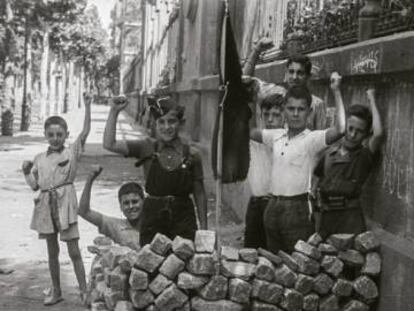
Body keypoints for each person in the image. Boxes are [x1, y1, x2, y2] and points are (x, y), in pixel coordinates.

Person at [250, 72, 346, 253]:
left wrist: (336, 91)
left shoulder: (312, 139)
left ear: (309, 112)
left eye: (300, 109)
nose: (295, 114)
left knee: (298, 264)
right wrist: (244, 97)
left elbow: (341, 129)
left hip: (298, 210)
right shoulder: (276, 136)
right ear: (284, 109)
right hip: (272, 208)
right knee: (274, 264)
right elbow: (249, 131)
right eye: (291, 108)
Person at [103, 96, 208, 246]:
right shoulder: (146, 147)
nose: (167, 127)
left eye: (171, 121)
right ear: (154, 124)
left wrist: (204, 230)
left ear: (181, 124)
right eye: (161, 122)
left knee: (185, 261)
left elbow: (199, 192)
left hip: (183, 218)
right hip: (153, 217)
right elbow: (109, 144)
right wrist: (114, 112)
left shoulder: (192, 154)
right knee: (151, 263)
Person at [21, 93, 92, 305]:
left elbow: (86, 132)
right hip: (45, 206)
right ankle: (56, 290)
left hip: (65, 205)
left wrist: (87, 105)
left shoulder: (72, 152)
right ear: (45, 135)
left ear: (66, 135)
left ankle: (84, 291)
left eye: (59, 134)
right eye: (51, 134)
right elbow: (35, 186)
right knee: (52, 252)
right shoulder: (39, 159)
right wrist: (26, 172)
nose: (55, 138)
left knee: (74, 251)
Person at [313, 87, 383, 239]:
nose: (352, 134)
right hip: (326, 218)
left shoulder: (364, 156)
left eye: (359, 131)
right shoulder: (329, 154)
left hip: (350, 218)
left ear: (365, 134)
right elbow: (316, 182)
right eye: (350, 128)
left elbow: (378, 134)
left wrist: (372, 99)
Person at [241, 37, 286, 248]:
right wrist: (256, 50)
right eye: (266, 114)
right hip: (257, 205)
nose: (270, 119)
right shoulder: (256, 137)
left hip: (281, 206)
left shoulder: (291, 140)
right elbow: (244, 81)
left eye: (276, 115)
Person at [79, 165, 143, 250]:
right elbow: (84, 212)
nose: (131, 206)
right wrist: (90, 179)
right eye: (126, 203)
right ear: (120, 207)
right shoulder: (116, 226)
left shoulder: (156, 225)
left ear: (144, 202)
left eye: (135, 202)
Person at [285, 54, 327, 130]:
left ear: (308, 77)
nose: (294, 77)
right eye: (291, 72)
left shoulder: (317, 104)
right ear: (286, 74)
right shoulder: (279, 99)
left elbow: (320, 136)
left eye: (300, 73)